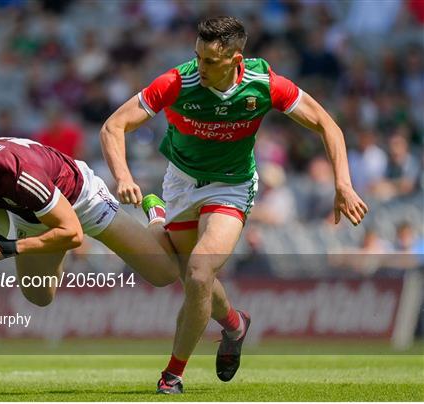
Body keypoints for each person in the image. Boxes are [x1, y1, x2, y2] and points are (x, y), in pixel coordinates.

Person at [100, 16, 368, 394]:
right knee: (184, 274)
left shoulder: (264, 84)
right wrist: (124, 177)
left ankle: (172, 375)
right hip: (181, 185)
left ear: (235, 58)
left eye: (210, 61)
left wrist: (343, 184)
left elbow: (328, 124)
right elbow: (114, 126)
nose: (200, 67)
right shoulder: (178, 81)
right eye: (197, 56)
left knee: (197, 273)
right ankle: (234, 324)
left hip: (232, 186)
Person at [0, 137, 179, 307]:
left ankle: (156, 216)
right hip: (34, 212)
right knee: (38, 295)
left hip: (82, 201)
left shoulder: (19, 175)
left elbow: (75, 235)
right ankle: (53, 240)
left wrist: (8, 247)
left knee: (164, 274)